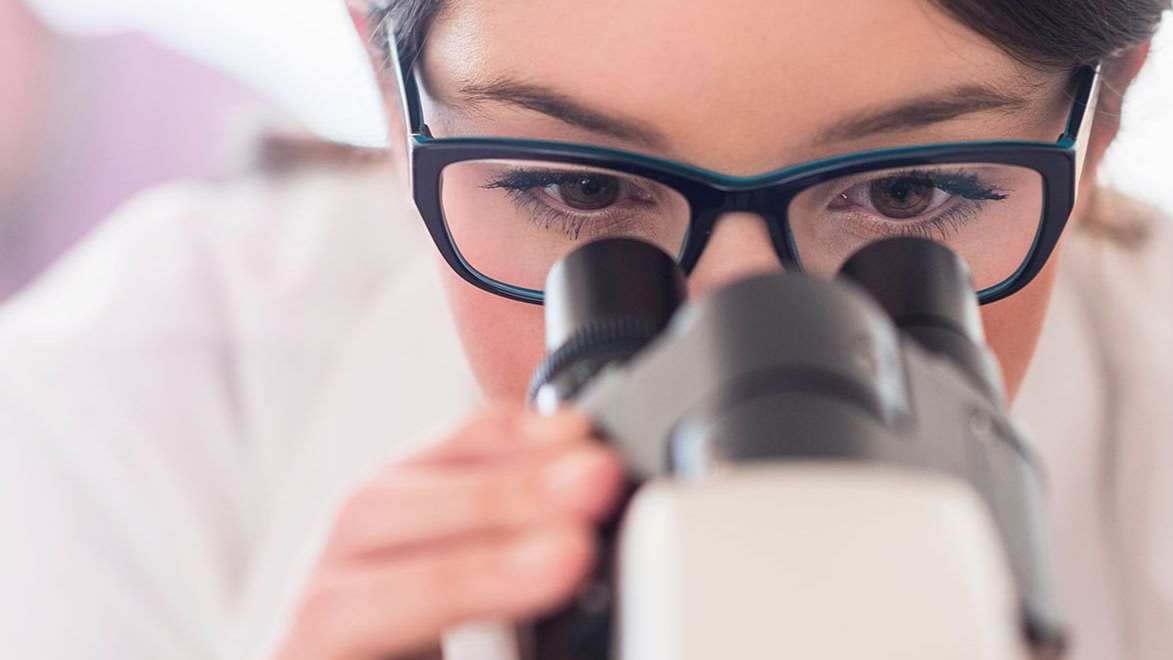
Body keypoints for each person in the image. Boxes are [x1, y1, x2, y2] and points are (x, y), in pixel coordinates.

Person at [0, 1, 1169, 659]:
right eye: (585, 192)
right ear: (385, 79)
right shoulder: (126, 411)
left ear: (1107, 110)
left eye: (907, 195)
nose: (738, 327)